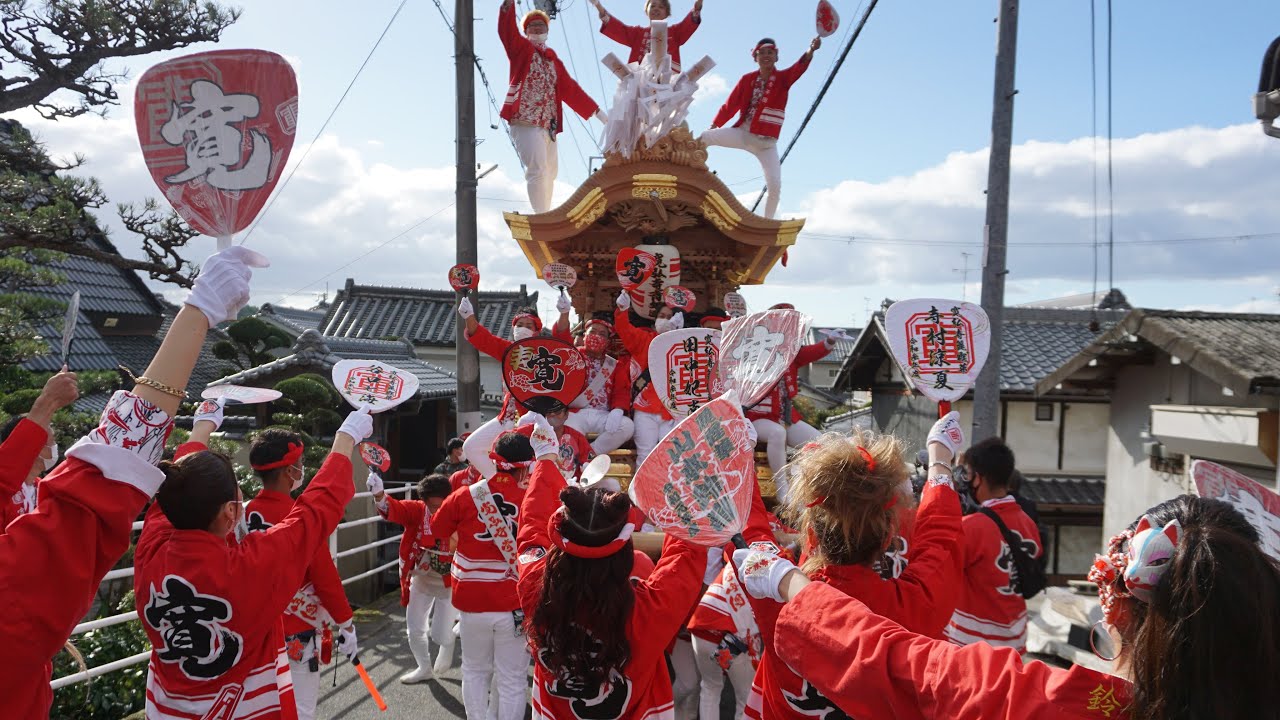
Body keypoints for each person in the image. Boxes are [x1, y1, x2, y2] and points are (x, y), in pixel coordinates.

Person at [0, 246, 266, 719]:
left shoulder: (157, 538)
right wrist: (198, 312)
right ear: (232, 509)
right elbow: (91, 495)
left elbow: (108, 490)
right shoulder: (264, 550)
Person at [734, 494, 1280, 720]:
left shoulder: (1039, 701)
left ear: (1115, 605)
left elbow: (902, 663)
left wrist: (790, 583)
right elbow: (936, 556)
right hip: (1007, 627)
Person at [134, 400, 371, 720]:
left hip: (167, 710)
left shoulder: (151, 548)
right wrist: (345, 437)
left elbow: (174, 492)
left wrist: (202, 425)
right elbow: (315, 511)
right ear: (229, 512)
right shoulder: (252, 564)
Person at [739, 412, 966, 720]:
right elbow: (940, 540)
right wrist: (940, 458)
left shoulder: (775, 590)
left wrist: (739, 458)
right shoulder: (912, 607)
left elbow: (749, 532)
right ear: (887, 538)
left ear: (809, 535)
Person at [514, 412, 705, 720]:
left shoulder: (536, 589)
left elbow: (532, 530)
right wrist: (691, 487)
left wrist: (546, 459)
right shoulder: (648, 611)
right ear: (624, 550)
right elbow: (685, 554)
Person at [238, 423, 358, 720]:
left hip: (251, 632)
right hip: (295, 630)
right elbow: (324, 577)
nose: (302, 469)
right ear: (289, 472)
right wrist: (346, 623)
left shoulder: (239, 514)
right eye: (300, 464)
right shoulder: (299, 518)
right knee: (300, 707)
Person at [428, 430, 535, 720]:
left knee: (474, 671)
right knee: (512, 679)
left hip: (471, 601)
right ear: (527, 466)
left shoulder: (466, 495)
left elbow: (437, 529)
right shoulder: (531, 498)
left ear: (494, 460)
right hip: (514, 603)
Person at [499, 0, 608, 213]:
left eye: (541, 25)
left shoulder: (553, 60)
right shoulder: (521, 49)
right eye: (532, 25)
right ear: (526, 31)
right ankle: (542, 217)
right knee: (538, 169)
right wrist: (508, 4)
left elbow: (571, 90)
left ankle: (546, 214)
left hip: (548, 125)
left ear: (547, 31)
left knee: (550, 172)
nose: (537, 28)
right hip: (525, 119)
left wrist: (601, 115)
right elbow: (507, 32)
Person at [702, 37, 821, 219]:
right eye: (762, 53)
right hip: (743, 133)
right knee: (705, 137)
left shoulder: (783, 79)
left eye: (770, 52)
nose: (766, 56)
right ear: (755, 57)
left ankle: (767, 223)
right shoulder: (747, 79)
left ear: (776, 57)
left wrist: (811, 50)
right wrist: (714, 125)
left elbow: (799, 67)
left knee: (775, 185)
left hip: (766, 144)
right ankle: (689, 171)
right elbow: (730, 105)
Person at [943, 437, 1043, 653]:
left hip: (972, 642)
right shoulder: (1028, 523)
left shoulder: (971, 527)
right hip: (1015, 638)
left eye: (968, 474)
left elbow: (939, 572)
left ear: (978, 478)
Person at [458, 296, 570, 479]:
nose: (523, 328)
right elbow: (483, 339)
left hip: (533, 421)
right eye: (520, 325)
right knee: (471, 447)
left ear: (537, 330)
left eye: (528, 325)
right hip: (506, 418)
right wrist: (468, 316)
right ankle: (499, 482)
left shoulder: (546, 353)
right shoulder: (508, 350)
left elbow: (565, 343)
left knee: (529, 464)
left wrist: (564, 314)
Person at [371, 472, 458, 682]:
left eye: (441, 505)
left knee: (440, 634)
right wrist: (379, 494)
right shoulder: (417, 511)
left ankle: (450, 639)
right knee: (414, 628)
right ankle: (424, 667)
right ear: (424, 501)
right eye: (432, 506)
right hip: (420, 578)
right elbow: (394, 509)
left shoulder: (458, 512)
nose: (437, 511)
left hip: (450, 582)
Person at [747, 320, 847, 500]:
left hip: (785, 416)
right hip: (757, 416)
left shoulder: (789, 353)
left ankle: (806, 484)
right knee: (777, 433)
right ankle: (782, 488)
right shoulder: (751, 354)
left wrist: (830, 340)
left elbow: (811, 352)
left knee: (821, 442)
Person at [0, 372, 78, 529]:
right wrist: (48, 399)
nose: (55, 446)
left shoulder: (45, 489)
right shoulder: (6, 487)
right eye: (50, 440)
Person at [613, 291, 684, 463]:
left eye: (670, 317)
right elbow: (624, 329)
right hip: (645, 409)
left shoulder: (685, 345)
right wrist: (622, 309)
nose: (665, 320)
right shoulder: (643, 340)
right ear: (655, 319)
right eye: (662, 316)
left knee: (673, 458)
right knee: (645, 456)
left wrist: (681, 336)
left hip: (673, 411)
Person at [564, 318, 635, 454]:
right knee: (565, 428)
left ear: (607, 341)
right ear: (585, 335)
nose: (596, 336)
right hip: (575, 413)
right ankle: (576, 458)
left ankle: (591, 454)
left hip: (603, 415)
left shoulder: (614, 365)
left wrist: (618, 409)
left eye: (602, 334)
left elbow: (621, 390)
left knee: (627, 426)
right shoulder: (572, 355)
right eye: (593, 332)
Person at [590, 0, 703, 73]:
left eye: (661, 7)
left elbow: (691, 21)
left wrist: (698, 5)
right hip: (639, 81)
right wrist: (598, 5)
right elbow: (618, 29)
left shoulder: (675, 32)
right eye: (652, 6)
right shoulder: (637, 33)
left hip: (668, 83)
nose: (656, 8)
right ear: (646, 11)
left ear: (667, 13)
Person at [519, 406, 595, 480]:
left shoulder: (577, 437)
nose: (552, 414)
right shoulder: (524, 433)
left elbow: (591, 465)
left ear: (566, 414)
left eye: (557, 411)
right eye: (548, 411)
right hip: (535, 482)